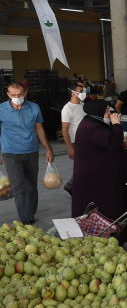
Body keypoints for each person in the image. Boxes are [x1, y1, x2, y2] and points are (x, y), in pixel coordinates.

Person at [71, 101, 127, 243]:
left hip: (96, 175)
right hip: (97, 178)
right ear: (98, 112)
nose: (109, 114)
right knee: (106, 207)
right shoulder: (93, 128)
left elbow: (106, 142)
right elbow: (112, 143)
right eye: (106, 111)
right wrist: (117, 124)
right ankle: (106, 238)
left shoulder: (91, 124)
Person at [0, 82, 55, 224]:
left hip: (31, 151)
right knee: (20, 185)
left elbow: (39, 129)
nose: (17, 97)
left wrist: (48, 149)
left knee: (31, 183)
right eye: (13, 95)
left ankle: (29, 212)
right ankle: (25, 218)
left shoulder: (34, 108)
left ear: (25, 93)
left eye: (19, 95)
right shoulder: (1, 109)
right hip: (10, 152)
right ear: (8, 95)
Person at [61, 80, 86, 159]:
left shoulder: (83, 105)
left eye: (83, 91)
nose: (83, 93)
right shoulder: (67, 109)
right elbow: (64, 130)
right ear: (72, 93)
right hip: (75, 141)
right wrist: (70, 148)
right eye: (81, 91)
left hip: (86, 139)